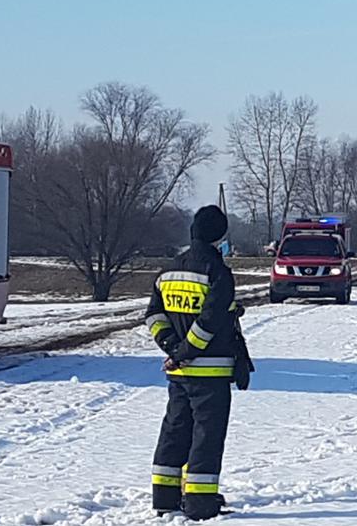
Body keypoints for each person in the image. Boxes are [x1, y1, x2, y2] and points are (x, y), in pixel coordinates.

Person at [146, 205, 252, 520]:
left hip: (179, 374)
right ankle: (200, 503)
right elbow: (208, 321)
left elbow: (154, 315)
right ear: (220, 237)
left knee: (175, 430)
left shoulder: (168, 271)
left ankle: (164, 496)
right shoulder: (217, 272)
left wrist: (170, 345)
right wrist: (184, 351)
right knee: (207, 435)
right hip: (210, 372)